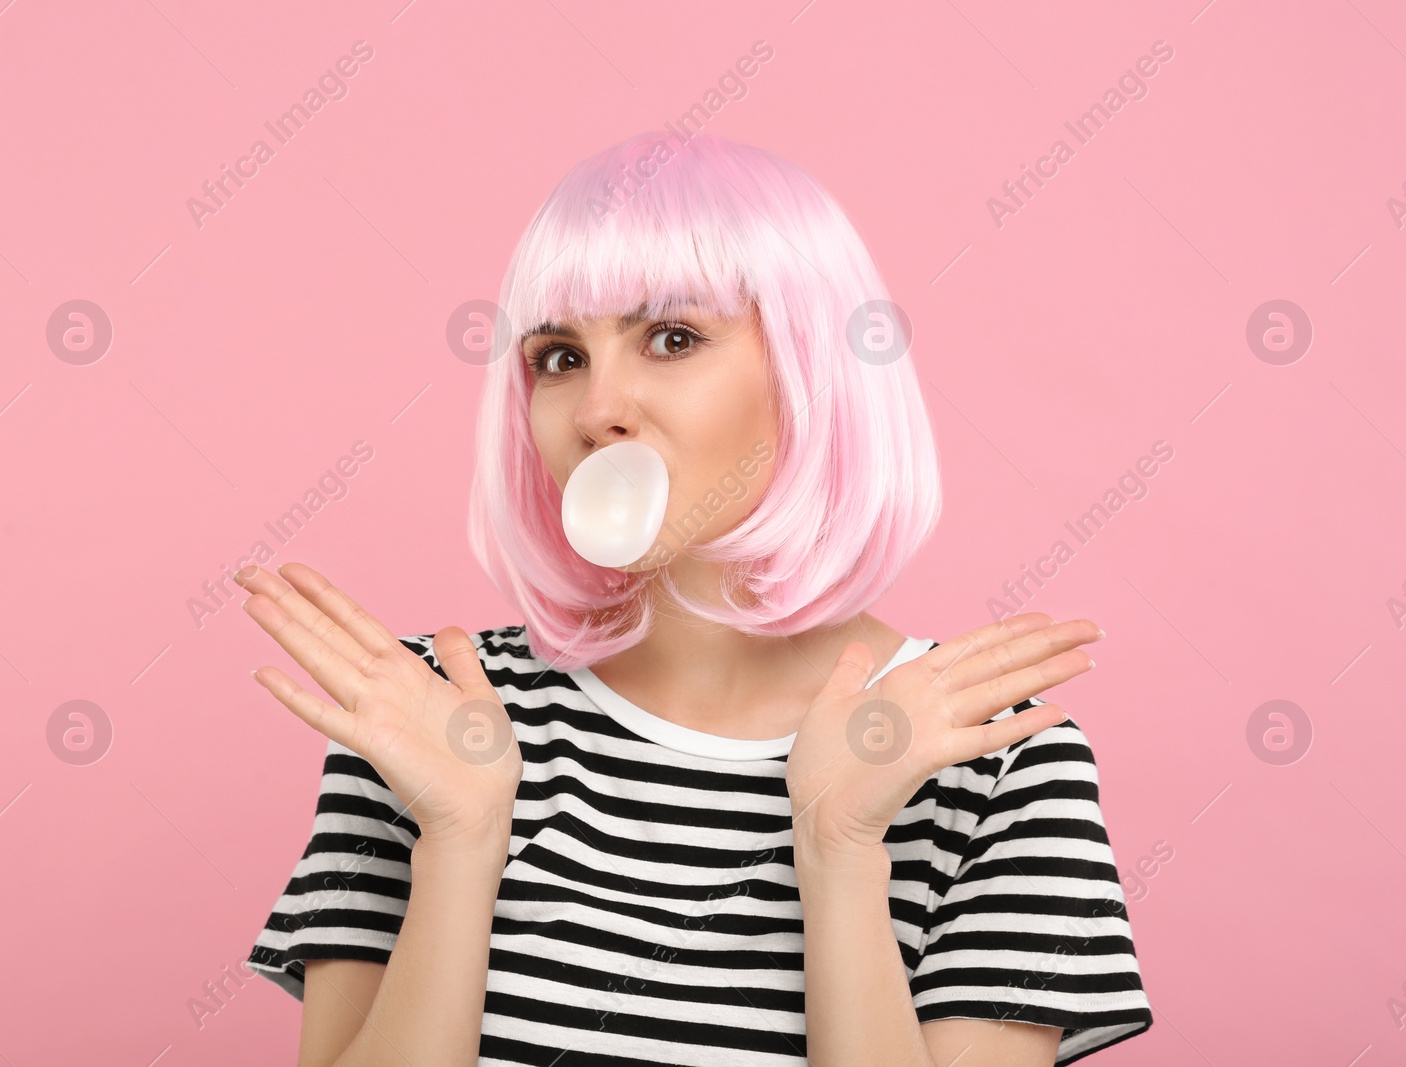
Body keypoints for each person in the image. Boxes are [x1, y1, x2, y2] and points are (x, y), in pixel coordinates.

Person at [238, 131, 1153, 1066]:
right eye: (558, 357)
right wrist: (459, 841)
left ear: (808, 374)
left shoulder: (990, 759)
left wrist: (839, 848)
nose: (598, 410)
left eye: (671, 338)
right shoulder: (426, 714)